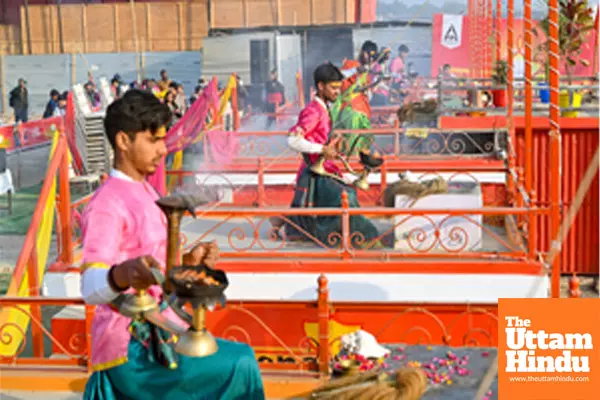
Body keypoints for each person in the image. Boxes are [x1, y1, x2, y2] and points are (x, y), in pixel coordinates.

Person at [80, 89, 265, 400]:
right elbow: (88, 287)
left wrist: (189, 263)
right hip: (130, 347)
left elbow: (158, 274)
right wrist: (121, 275)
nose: (163, 149)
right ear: (123, 142)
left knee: (239, 359)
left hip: (163, 327)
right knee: (241, 363)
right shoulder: (106, 204)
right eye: (153, 141)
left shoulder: (148, 192)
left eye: (163, 140)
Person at [282, 63, 380, 249]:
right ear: (320, 86)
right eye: (333, 88)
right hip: (315, 172)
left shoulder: (325, 108)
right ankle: (350, 239)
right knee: (346, 196)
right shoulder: (313, 111)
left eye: (338, 87)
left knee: (352, 185)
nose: (337, 92)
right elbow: (292, 140)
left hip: (326, 169)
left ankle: (351, 236)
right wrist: (321, 149)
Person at [330, 41, 380, 156]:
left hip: (362, 110)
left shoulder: (366, 72)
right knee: (351, 137)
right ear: (362, 52)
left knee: (363, 137)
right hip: (350, 110)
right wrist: (355, 71)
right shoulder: (351, 64)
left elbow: (368, 92)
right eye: (368, 54)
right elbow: (339, 78)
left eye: (372, 56)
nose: (369, 58)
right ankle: (351, 157)